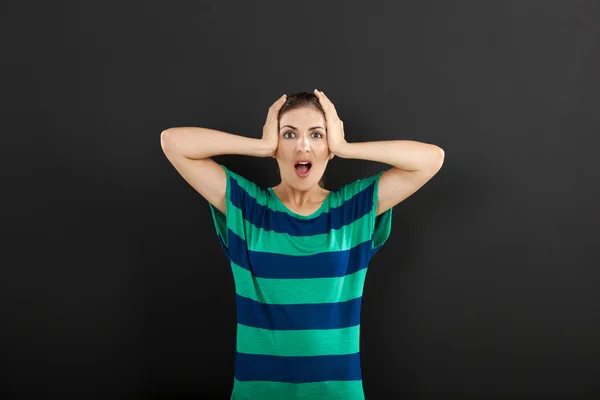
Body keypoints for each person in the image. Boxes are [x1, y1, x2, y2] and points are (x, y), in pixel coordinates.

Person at [160, 89, 445, 399]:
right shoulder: (248, 208)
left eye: (317, 135)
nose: (303, 145)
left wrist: (345, 147)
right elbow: (173, 143)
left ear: (329, 147)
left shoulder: (352, 210)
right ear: (277, 146)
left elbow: (431, 159)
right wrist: (259, 146)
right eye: (290, 134)